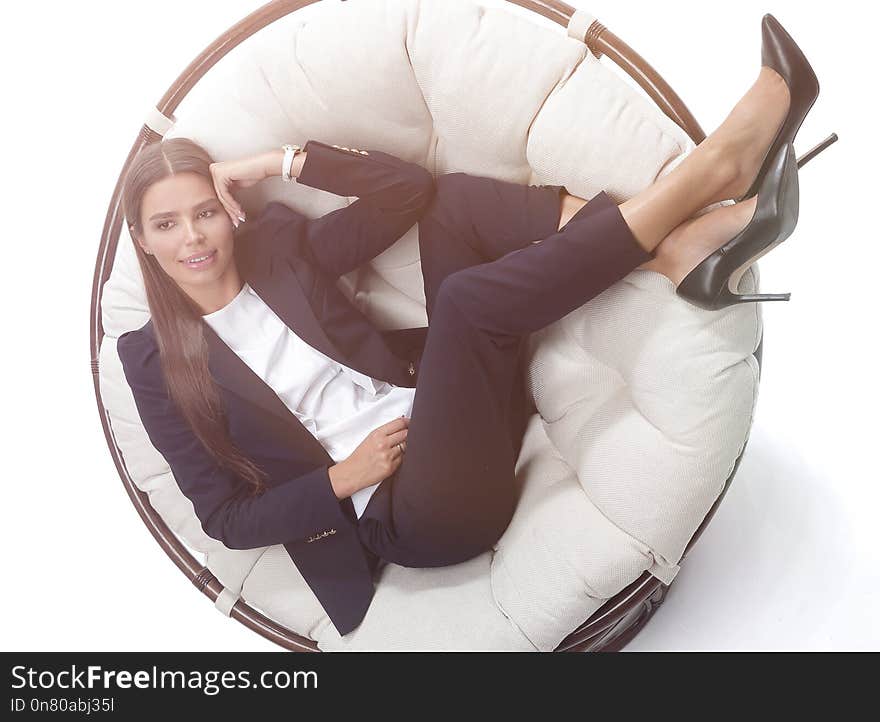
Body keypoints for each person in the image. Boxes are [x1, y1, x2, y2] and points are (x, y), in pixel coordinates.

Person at [117, 14, 835, 637]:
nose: (193, 238)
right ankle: (706, 180)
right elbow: (225, 519)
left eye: (203, 210)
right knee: (463, 301)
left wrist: (278, 161)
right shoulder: (152, 361)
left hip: (449, 404)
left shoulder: (275, 246)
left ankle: (672, 251)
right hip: (414, 512)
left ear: (227, 207)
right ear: (143, 241)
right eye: (166, 224)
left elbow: (409, 193)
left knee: (451, 205)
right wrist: (343, 477)